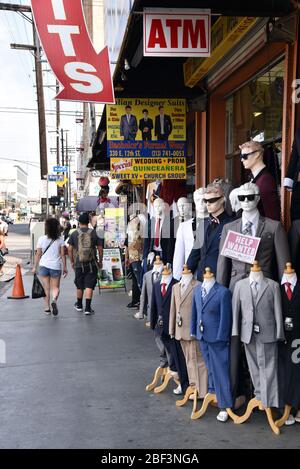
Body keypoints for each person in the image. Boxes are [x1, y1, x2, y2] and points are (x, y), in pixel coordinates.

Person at [68, 212, 103, 315]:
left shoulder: (74, 233)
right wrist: (100, 261)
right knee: (89, 285)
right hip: (92, 264)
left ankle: (79, 305)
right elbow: (100, 249)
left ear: (79, 222)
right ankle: (87, 308)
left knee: (79, 285)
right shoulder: (94, 233)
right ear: (88, 222)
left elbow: (69, 249)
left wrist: (72, 261)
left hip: (79, 263)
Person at [32, 217, 67, 316]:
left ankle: (47, 308)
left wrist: (35, 267)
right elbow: (62, 255)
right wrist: (65, 267)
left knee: (46, 288)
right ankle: (54, 300)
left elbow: (38, 254)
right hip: (55, 266)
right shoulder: (60, 240)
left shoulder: (41, 239)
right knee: (55, 287)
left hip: (43, 266)